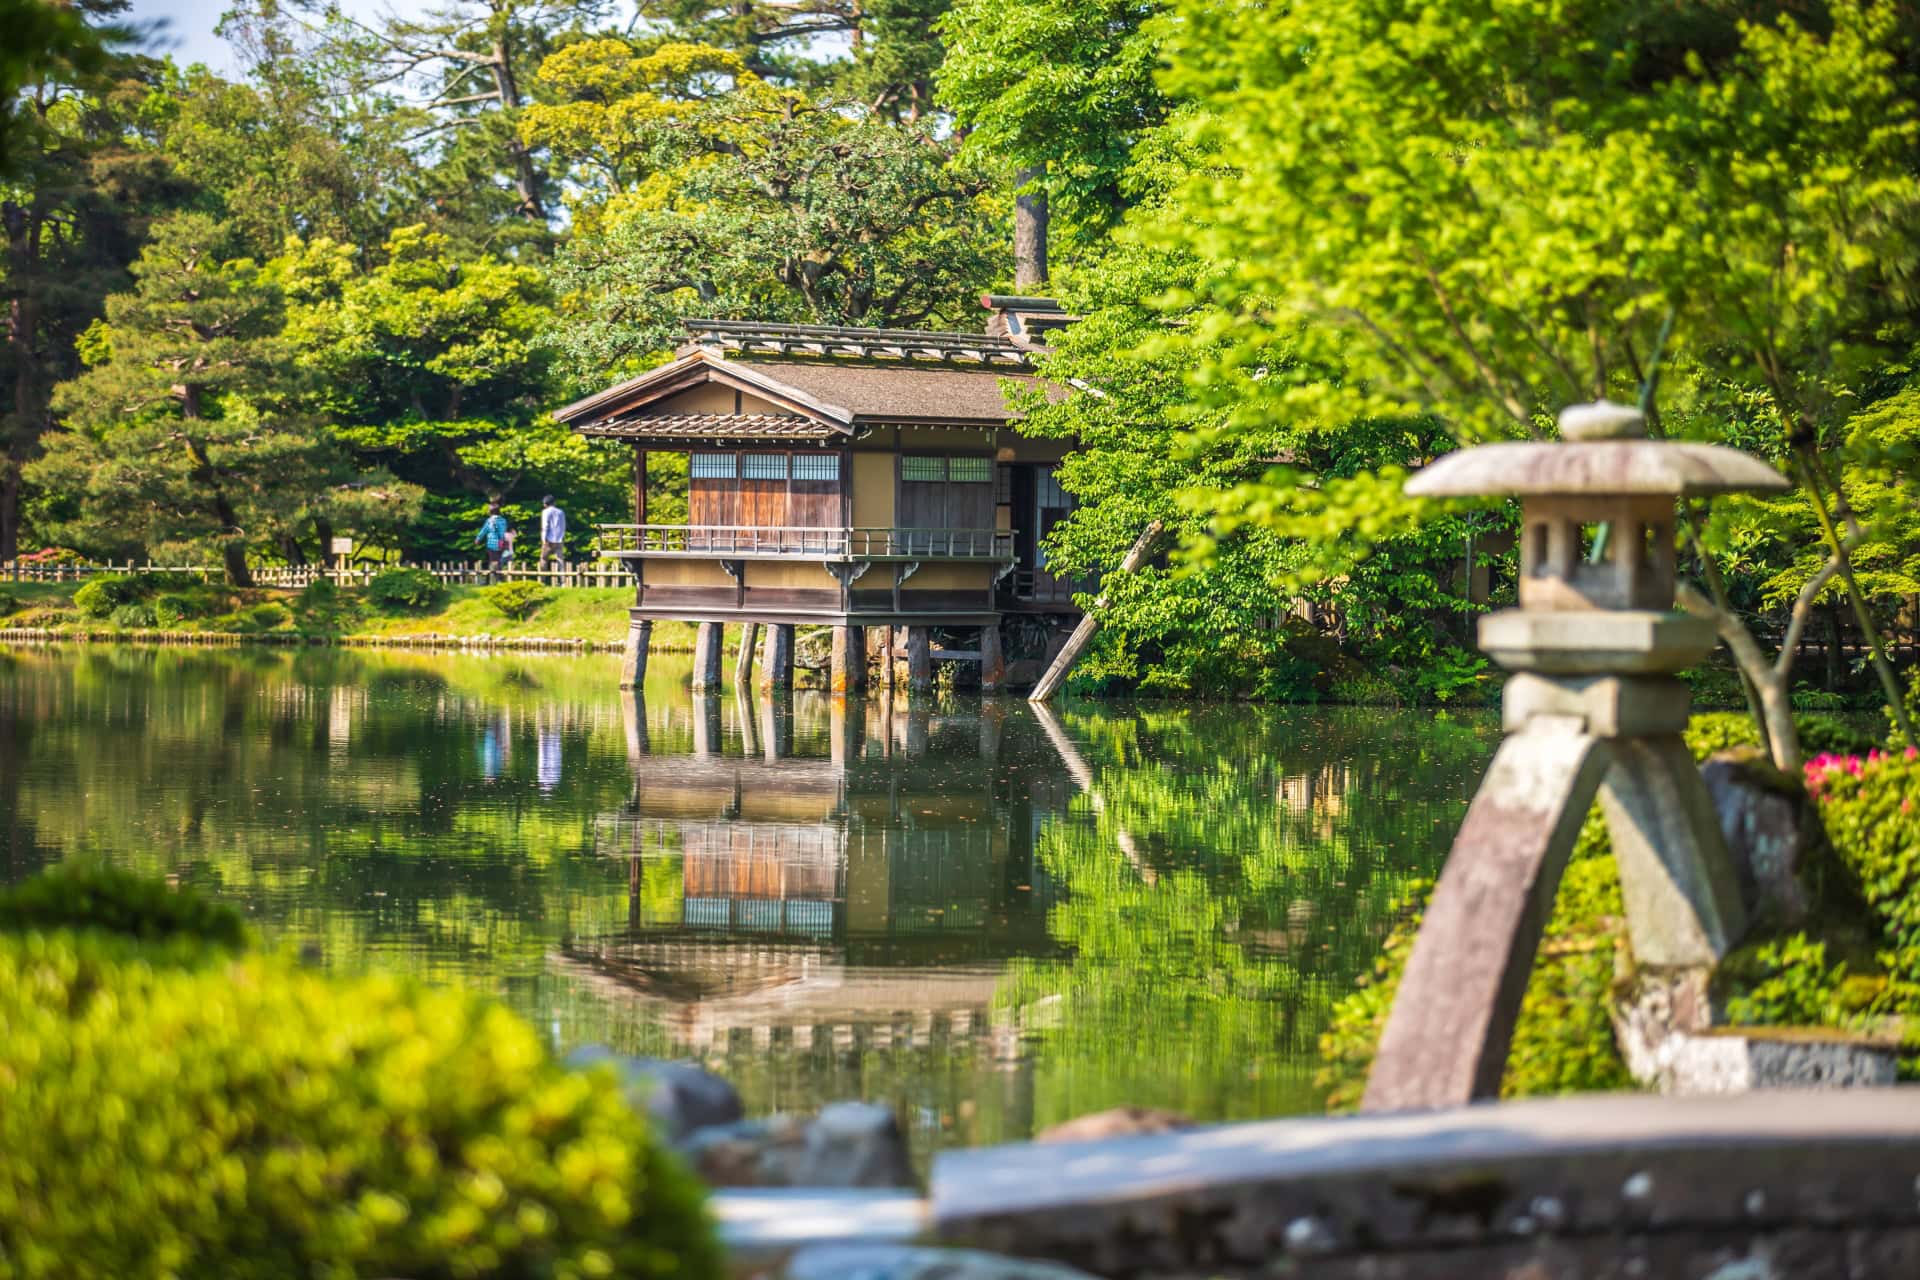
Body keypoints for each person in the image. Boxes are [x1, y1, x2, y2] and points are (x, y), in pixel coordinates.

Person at [475, 502, 508, 570]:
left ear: (490, 511)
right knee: (499, 561)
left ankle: (495, 577)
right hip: (502, 544)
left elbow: (483, 531)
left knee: (493, 562)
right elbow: (503, 532)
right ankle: (499, 577)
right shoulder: (503, 520)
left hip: (491, 544)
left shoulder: (489, 521)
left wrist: (478, 539)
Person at [539, 494, 566, 570]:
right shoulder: (561, 512)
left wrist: (543, 539)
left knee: (544, 558)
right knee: (560, 559)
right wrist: (562, 537)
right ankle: (562, 580)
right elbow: (563, 526)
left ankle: (542, 580)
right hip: (559, 539)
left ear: (545, 504)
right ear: (554, 503)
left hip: (548, 540)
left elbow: (545, 526)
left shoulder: (545, 512)